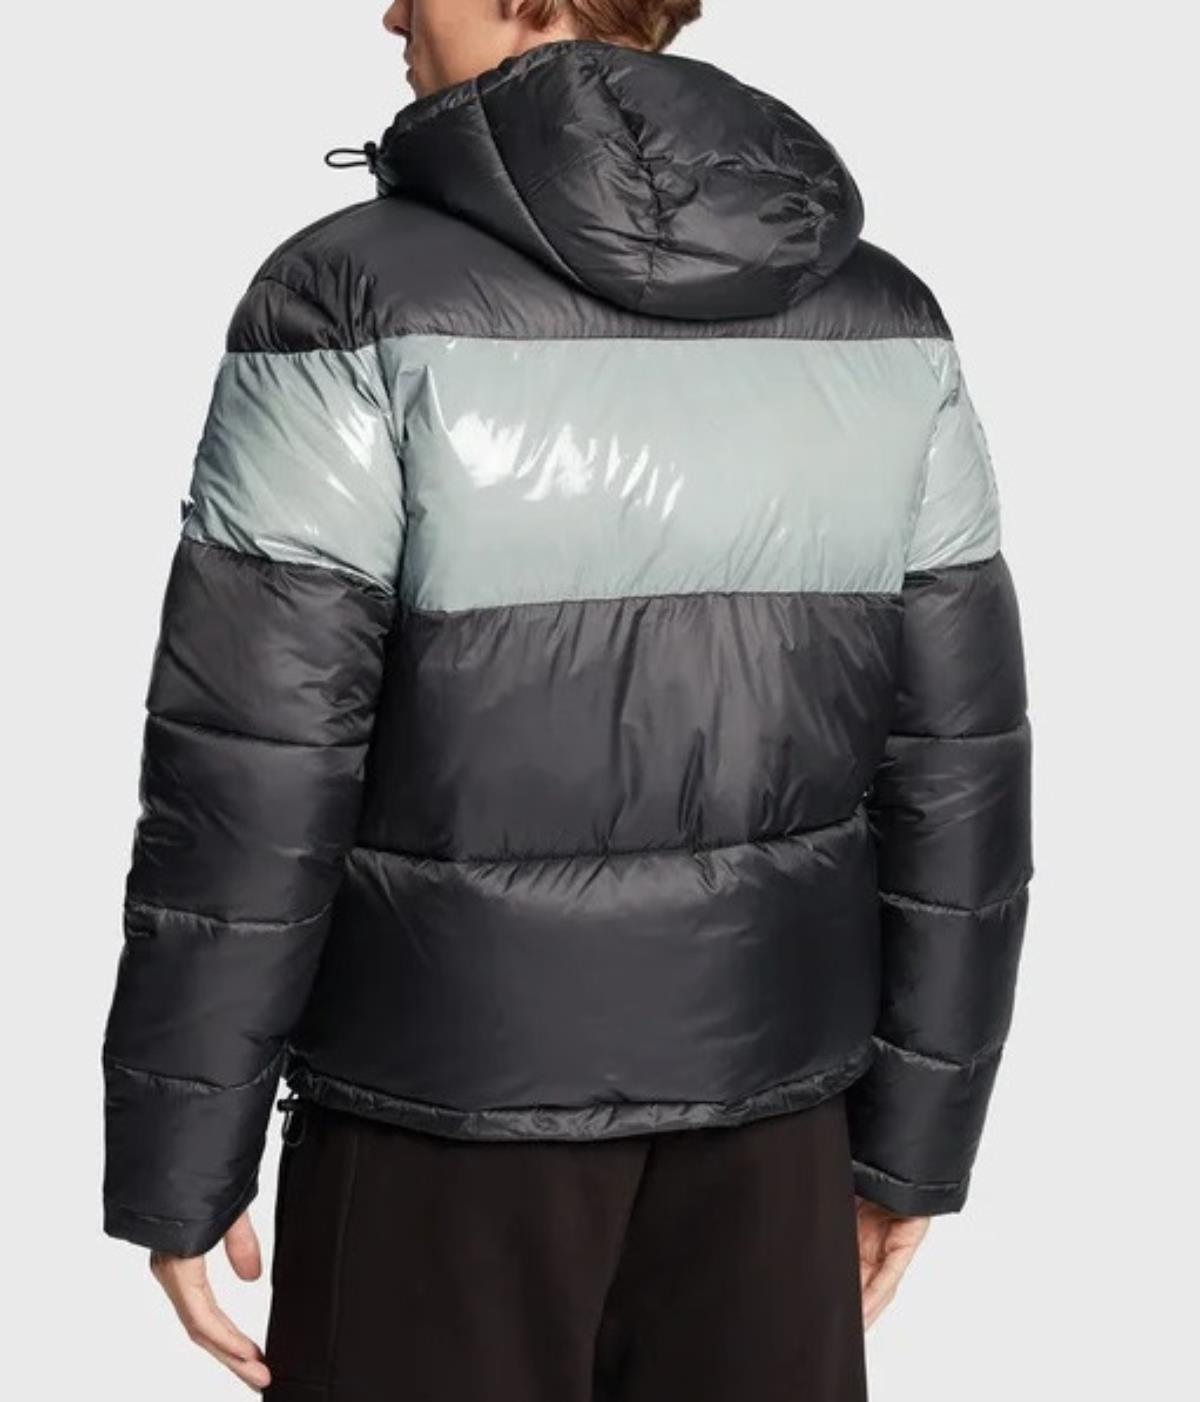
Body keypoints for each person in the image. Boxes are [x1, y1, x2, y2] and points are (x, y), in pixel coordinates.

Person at [100, 2, 1034, 1398]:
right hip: (776, 1127)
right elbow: (959, 770)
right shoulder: (883, 318)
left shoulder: (346, 300)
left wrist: (179, 1157)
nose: (391, 10)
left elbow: (252, 772)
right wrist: (915, 1144)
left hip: (438, 1124)